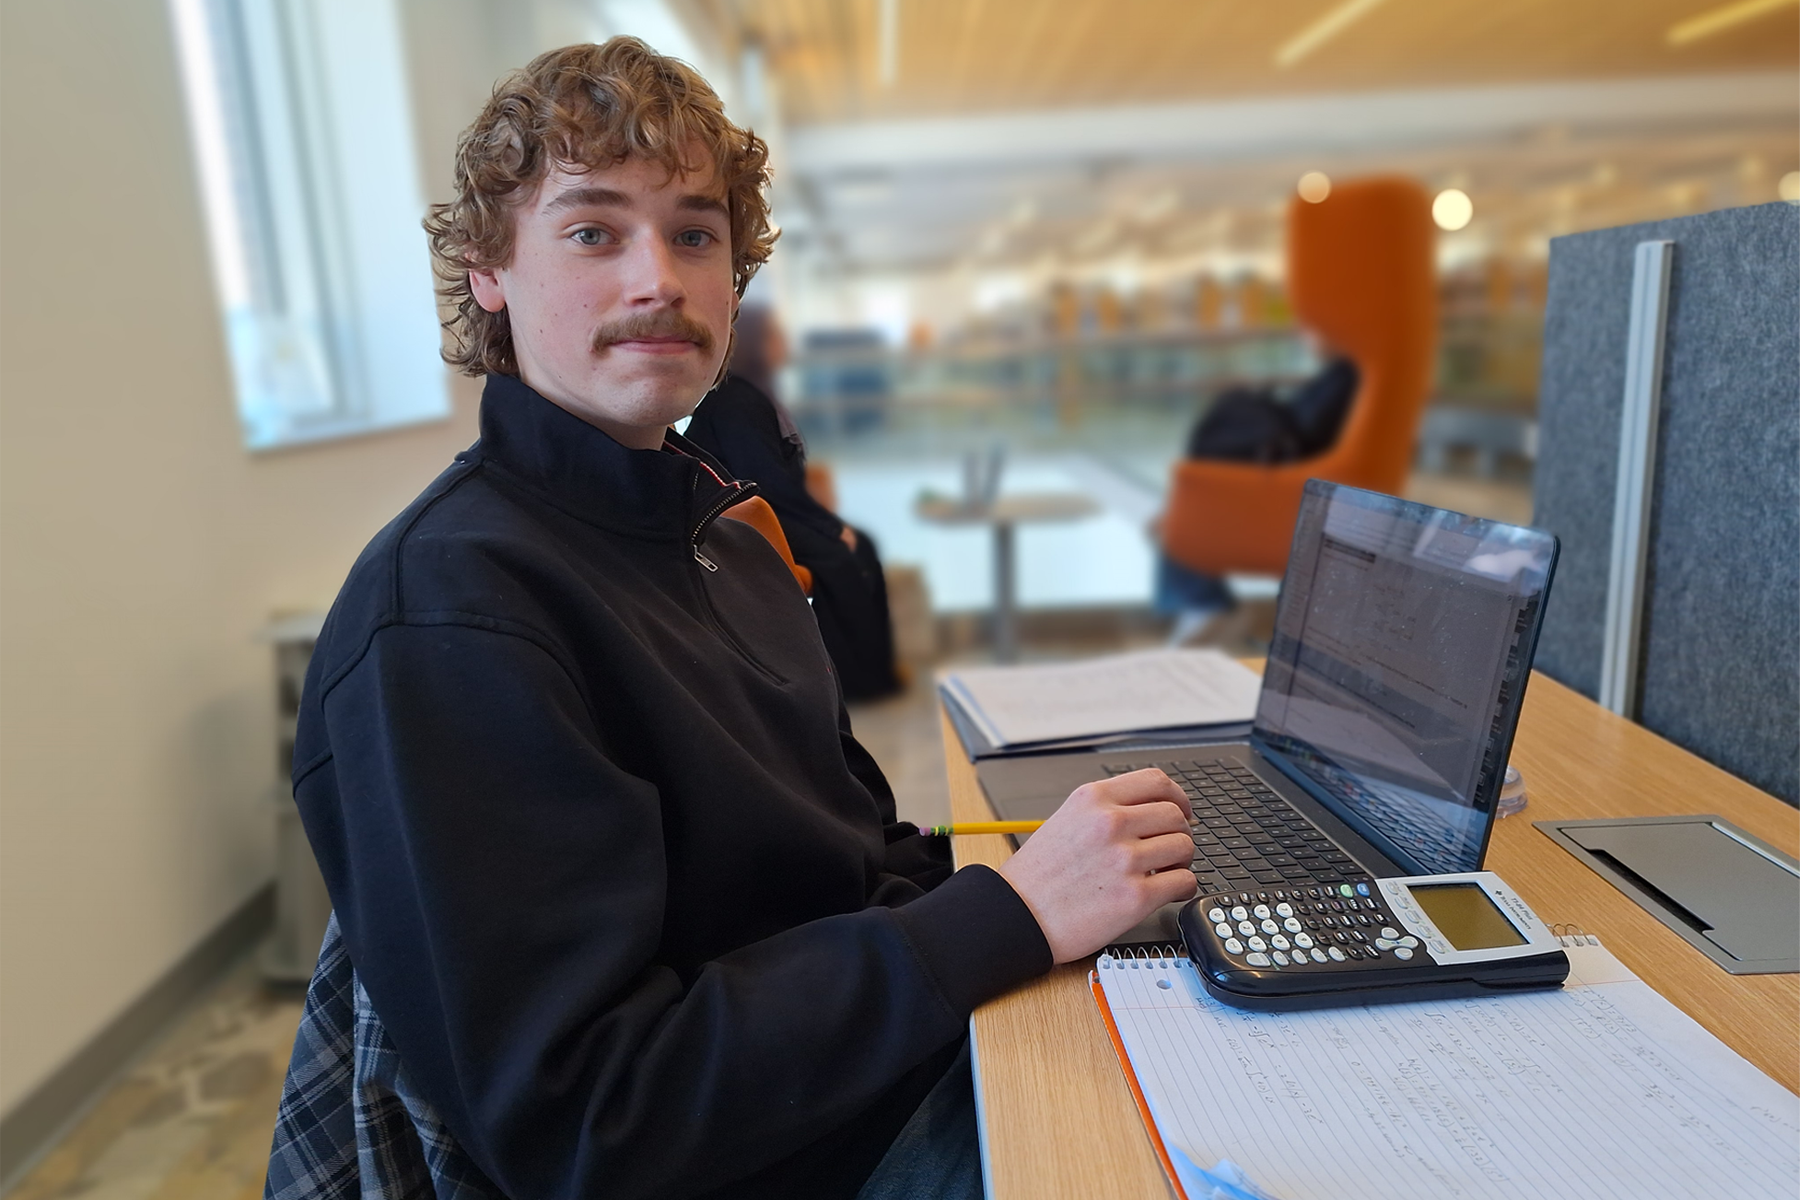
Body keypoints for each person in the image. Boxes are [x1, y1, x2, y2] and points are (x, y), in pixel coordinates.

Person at [264, 37, 1197, 1200]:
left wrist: (1052, 869)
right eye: (594, 231)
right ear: (489, 268)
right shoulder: (453, 615)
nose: (657, 277)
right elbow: (593, 1121)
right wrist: (1004, 915)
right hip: (789, 1156)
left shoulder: (717, 531)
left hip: (865, 1066)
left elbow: (848, 863)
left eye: (695, 233)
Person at [684, 306, 902, 700]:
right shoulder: (737, 401)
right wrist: (832, 529)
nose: (784, 344)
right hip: (747, 525)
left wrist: (830, 524)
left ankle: (872, 668)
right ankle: (854, 677)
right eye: (774, 336)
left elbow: (783, 483)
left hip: (771, 511)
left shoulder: (754, 393)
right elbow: (768, 484)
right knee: (842, 556)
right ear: (754, 344)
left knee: (859, 546)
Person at [1155, 347, 1360, 639]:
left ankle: (1202, 604)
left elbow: (1304, 439)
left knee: (1187, 503)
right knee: (1184, 502)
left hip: (1289, 492)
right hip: (1291, 479)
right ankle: (1199, 604)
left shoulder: (1350, 375)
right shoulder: (1354, 373)